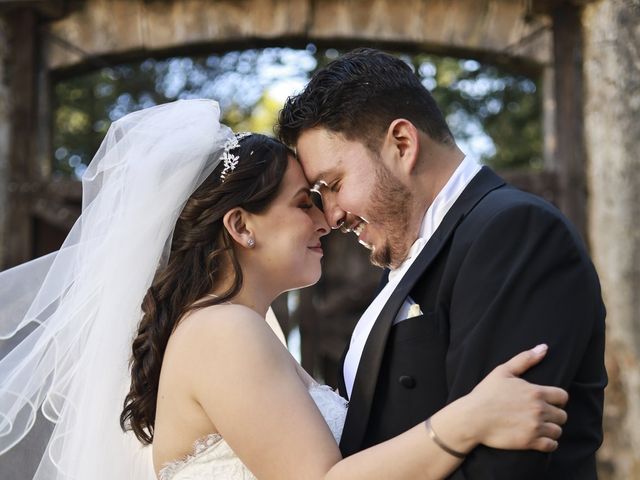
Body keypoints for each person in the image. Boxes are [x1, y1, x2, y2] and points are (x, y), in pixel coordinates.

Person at [0, 99, 567, 480]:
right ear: (242, 226)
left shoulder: (230, 329)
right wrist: (470, 419)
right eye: (305, 203)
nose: (325, 221)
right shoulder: (222, 333)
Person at [276, 48, 607, 479]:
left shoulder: (512, 232)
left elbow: (502, 466)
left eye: (334, 185)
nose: (332, 215)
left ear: (402, 144)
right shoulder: (406, 260)